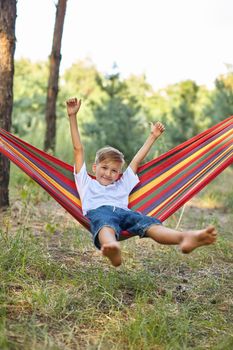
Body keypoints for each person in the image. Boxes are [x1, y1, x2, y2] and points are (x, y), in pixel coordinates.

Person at [66, 97, 217, 267]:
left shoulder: (121, 184)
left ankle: (184, 237)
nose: (108, 173)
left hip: (125, 213)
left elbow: (136, 161)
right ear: (94, 167)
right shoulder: (86, 182)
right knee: (105, 225)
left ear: (119, 174)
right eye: (104, 167)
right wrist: (72, 116)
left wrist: (152, 136)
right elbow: (78, 150)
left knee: (150, 224)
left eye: (114, 170)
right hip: (99, 212)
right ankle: (112, 247)